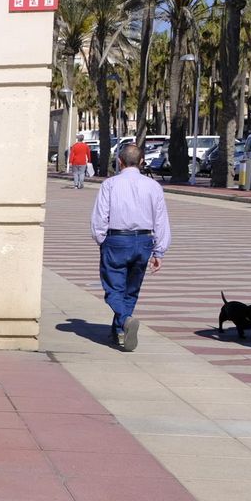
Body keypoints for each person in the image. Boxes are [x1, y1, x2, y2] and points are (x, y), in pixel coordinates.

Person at [90, 143, 170, 351]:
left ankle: (125, 319)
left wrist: (101, 238)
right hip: (144, 240)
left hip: (117, 239)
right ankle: (119, 331)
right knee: (131, 290)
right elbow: (161, 219)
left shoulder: (110, 184)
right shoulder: (153, 186)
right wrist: (159, 250)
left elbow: (100, 215)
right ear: (142, 161)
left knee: (113, 289)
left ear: (120, 162)